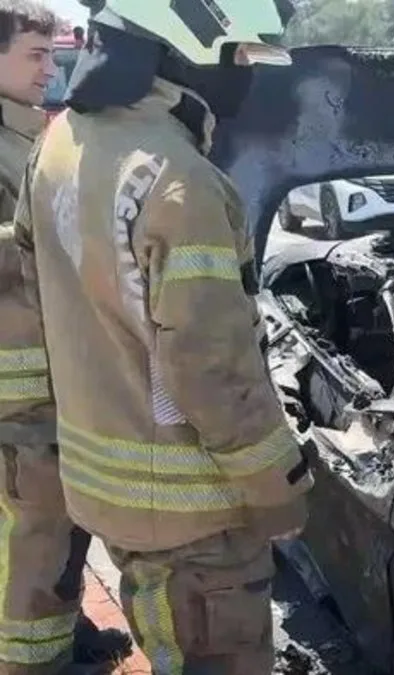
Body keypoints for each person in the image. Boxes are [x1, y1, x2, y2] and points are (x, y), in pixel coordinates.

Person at [13, 1, 313, 673]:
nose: (244, 75)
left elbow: (43, 290)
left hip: (106, 490)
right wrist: (280, 484)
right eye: (238, 55)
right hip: (195, 520)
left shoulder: (56, 145)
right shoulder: (181, 182)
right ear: (185, 44)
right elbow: (212, 370)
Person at [0, 2, 131, 671]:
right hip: (16, 385)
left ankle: (67, 627)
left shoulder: (31, 133)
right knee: (39, 532)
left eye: (55, 56)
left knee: (69, 527)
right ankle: (32, 662)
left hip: (56, 373)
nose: (51, 70)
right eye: (35, 55)